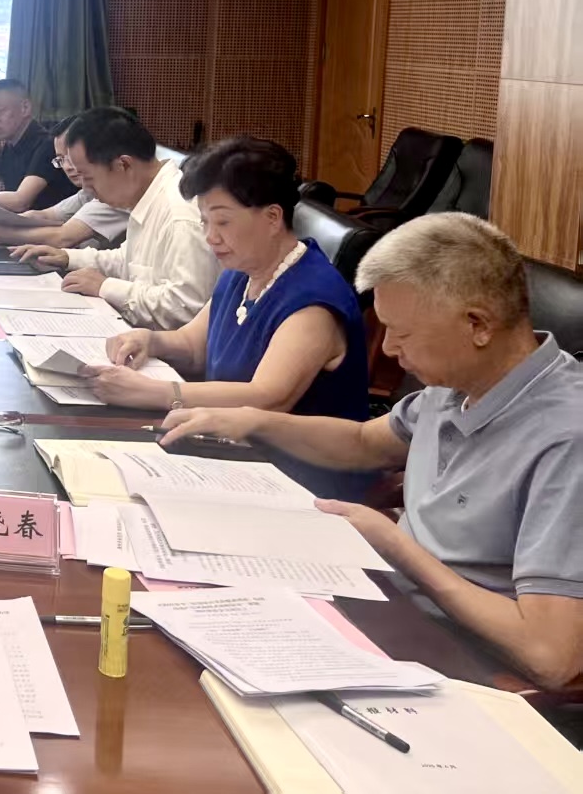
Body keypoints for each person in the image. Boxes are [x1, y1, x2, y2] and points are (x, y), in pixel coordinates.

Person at [162, 214, 583, 690]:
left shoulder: (566, 437)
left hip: (462, 660)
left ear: (478, 324)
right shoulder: (458, 382)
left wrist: (396, 545)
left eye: (402, 333)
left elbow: (549, 655)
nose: (390, 350)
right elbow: (364, 443)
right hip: (389, 605)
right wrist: (255, 421)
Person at [83, 138, 371, 498]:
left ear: (272, 217)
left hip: (300, 479)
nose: (210, 237)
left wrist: (155, 393)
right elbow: (193, 345)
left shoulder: (313, 300)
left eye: (223, 221)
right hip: (231, 451)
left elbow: (266, 398)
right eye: (205, 221)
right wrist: (149, 339)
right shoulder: (242, 269)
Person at [13, 108, 217, 329]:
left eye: (88, 177)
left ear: (124, 165)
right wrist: (68, 257)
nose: (86, 188)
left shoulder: (180, 215)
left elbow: (185, 308)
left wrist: (105, 287)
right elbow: (128, 261)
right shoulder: (148, 196)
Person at [0, 122, 130, 247]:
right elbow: (43, 215)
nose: (68, 166)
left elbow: (63, 237)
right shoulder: (88, 192)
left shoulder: (117, 194)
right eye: (61, 159)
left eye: (72, 157)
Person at [0, 79, 73, 213]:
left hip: (50, 223)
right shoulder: (11, 146)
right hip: (22, 220)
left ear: (25, 108)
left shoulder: (47, 145)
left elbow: (20, 202)